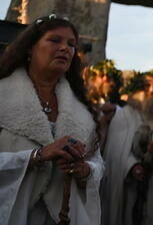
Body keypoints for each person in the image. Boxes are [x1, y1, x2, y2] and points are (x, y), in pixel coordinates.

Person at [0, 14, 104, 224]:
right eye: (55, 40)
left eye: (71, 44)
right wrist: (36, 156)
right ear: (30, 48)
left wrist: (85, 170)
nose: (66, 48)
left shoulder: (82, 113)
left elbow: (97, 162)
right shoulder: (2, 96)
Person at [100, 70, 153, 225]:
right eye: (146, 86)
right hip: (129, 188)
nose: (152, 91)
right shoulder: (124, 115)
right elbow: (114, 152)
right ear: (137, 90)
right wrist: (132, 166)